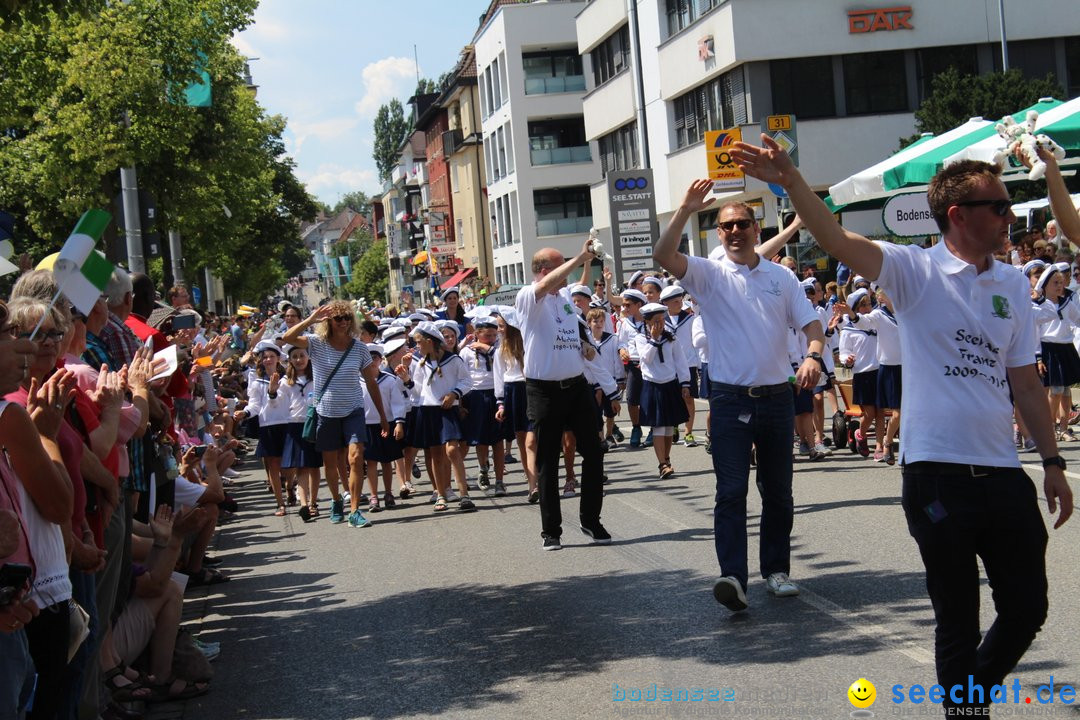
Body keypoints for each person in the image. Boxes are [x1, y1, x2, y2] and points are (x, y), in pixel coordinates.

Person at [731, 135, 1072, 718]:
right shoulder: (914, 270)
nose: (1010, 216)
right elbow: (837, 239)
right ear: (960, 215)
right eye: (999, 206)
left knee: (1027, 609)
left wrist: (1053, 462)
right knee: (957, 617)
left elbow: (1027, 385)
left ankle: (969, 695)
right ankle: (966, 712)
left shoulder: (1014, 285)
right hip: (937, 474)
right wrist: (791, 182)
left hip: (1002, 472)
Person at [653, 179, 825, 612]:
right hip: (730, 400)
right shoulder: (709, 275)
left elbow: (811, 325)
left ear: (756, 228)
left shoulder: (781, 277)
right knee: (731, 490)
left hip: (777, 399)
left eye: (742, 224)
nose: (734, 231)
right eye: (726, 226)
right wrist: (687, 209)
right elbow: (662, 255)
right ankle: (733, 576)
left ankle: (776, 571)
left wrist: (814, 356)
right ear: (718, 233)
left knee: (778, 492)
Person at [515, 240, 611, 551]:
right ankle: (551, 530)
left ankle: (590, 520)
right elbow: (545, 286)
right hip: (543, 391)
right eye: (561, 267)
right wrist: (581, 258)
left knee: (594, 452)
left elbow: (569, 332)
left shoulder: (566, 299)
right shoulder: (528, 297)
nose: (567, 274)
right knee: (547, 461)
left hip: (576, 386)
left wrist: (582, 347)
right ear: (545, 271)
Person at [281, 301, 389, 528]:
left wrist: (382, 415)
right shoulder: (316, 343)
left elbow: (371, 383)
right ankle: (336, 499)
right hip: (326, 412)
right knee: (330, 463)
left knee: (356, 458)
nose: (343, 322)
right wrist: (311, 320)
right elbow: (288, 338)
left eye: (347, 318)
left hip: (354, 410)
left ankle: (355, 510)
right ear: (329, 321)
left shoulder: (359, 348)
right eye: (338, 318)